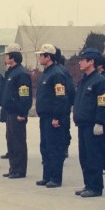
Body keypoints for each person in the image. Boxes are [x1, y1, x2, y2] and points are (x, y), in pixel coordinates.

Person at [72, 49, 105, 198]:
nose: (80, 62)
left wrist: (99, 122)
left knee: (93, 156)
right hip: (82, 124)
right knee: (84, 156)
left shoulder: (100, 81)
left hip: (92, 125)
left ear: (91, 62)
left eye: (83, 59)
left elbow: (103, 102)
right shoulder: (84, 80)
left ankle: (96, 187)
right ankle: (88, 184)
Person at [33, 44, 70, 187]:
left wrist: (57, 117)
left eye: (41, 55)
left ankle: (55, 177)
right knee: (45, 147)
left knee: (54, 148)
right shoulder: (46, 73)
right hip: (44, 116)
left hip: (52, 117)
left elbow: (60, 97)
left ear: (48, 57)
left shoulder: (57, 74)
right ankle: (47, 175)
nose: (39, 58)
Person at [0, 47, 32, 179]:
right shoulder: (11, 72)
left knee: (18, 142)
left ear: (12, 57)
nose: (5, 58)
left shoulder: (21, 74)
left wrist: (22, 113)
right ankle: (13, 168)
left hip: (17, 113)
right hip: (9, 112)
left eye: (7, 55)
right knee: (11, 141)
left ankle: (20, 169)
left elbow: (24, 95)